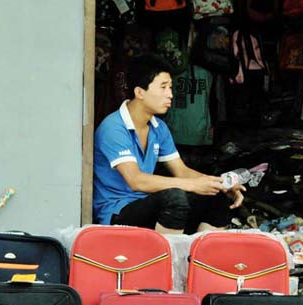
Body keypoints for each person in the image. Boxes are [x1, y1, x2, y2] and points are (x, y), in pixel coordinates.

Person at [92, 54, 244, 233]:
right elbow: (136, 180)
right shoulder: (113, 127)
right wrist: (192, 185)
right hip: (117, 212)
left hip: (148, 204)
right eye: (163, 87)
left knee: (217, 198)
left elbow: (181, 171)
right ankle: (169, 251)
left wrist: (220, 184)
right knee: (174, 198)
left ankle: (197, 251)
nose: (170, 95)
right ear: (139, 92)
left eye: (170, 87)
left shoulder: (159, 128)